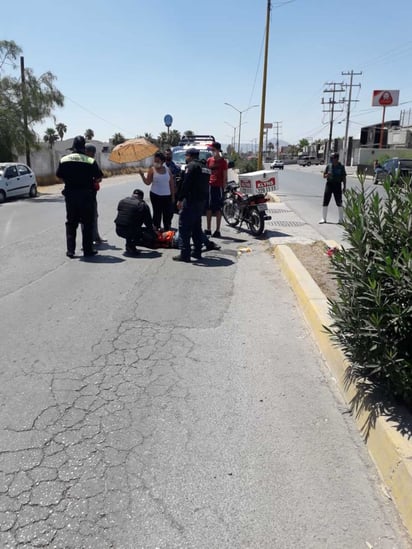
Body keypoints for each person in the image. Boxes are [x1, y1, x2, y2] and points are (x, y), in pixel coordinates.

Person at [56, 135, 103, 258]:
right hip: (86, 196)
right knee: (87, 223)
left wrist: (69, 182)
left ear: (73, 147)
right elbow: (98, 177)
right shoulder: (90, 160)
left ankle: (70, 251)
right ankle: (88, 250)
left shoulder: (64, 159)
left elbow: (59, 176)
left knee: (71, 223)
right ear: (83, 147)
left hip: (71, 195)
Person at [174, 148, 210, 262]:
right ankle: (197, 252)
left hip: (191, 201)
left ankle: (185, 254)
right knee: (196, 227)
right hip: (201, 202)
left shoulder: (191, 166)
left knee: (184, 227)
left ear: (190, 156)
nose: (185, 158)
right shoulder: (205, 167)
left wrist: (180, 199)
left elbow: (186, 184)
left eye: (186, 156)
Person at [138, 152, 175, 231]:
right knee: (157, 214)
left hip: (167, 196)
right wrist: (142, 176)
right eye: (155, 161)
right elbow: (148, 182)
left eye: (158, 161)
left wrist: (173, 197)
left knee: (167, 214)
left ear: (162, 161)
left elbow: (172, 184)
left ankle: (166, 229)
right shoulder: (152, 170)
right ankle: (156, 230)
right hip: (155, 195)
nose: (155, 162)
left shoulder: (168, 170)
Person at [114, 189, 157, 254]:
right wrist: (154, 234)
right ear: (141, 198)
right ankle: (131, 246)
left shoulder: (122, 201)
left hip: (118, 230)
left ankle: (129, 244)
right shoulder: (142, 205)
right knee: (146, 233)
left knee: (129, 225)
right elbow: (148, 223)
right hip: (130, 231)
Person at [205, 141, 228, 238]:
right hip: (210, 186)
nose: (212, 151)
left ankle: (217, 230)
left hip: (218, 187)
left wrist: (224, 189)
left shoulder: (223, 162)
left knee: (218, 209)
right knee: (209, 208)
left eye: (213, 149)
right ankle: (208, 229)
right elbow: (206, 173)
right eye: (211, 149)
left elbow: (225, 176)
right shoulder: (209, 160)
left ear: (218, 150)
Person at [84, 143, 105, 245]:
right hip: (90, 195)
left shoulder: (76, 161)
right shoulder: (91, 161)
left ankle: (92, 238)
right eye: (92, 152)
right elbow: (99, 177)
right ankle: (93, 238)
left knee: (84, 218)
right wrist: (95, 180)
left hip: (77, 195)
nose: (93, 155)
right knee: (92, 216)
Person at [319, 152, 346, 224]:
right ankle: (323, 218)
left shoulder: (341, 167)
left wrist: (344, 186)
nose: (331, 159)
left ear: (336, 159)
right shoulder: (329, 166)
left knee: (339, 202)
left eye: (332, 158)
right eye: (331, 158)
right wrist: (327, 175)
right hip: (329, 185)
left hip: (337, 185)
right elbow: (324, 176)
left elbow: (344, 177)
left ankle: (341, 219)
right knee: (325, 201)